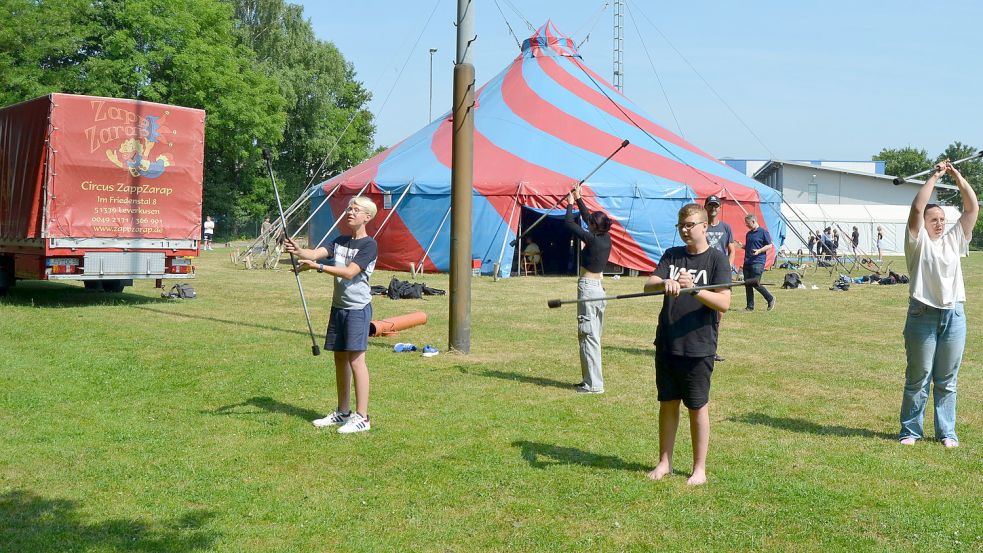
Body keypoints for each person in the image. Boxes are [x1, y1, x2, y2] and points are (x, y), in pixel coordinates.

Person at [644, 203, 731, 485]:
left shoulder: (716, 260)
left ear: (705, 226)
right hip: (668, 341)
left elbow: (724, 302)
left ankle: (699, 469)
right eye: (681, 225)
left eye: (690, 225)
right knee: (668, 403)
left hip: (699, 344)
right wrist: (664, 283)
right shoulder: (672, 256)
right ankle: (664, 462)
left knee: (697, 406)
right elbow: (649, 284)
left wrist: (694, 290)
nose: (684, 230)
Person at [898, 160, 978, 448]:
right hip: (922, 313)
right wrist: (935, 176)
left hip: (954, 315)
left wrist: (957, 176)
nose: (939, 223)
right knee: (918, 378)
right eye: (934, 220)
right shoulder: (917, 242)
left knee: (947, 380)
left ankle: (947, 432)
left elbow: (972, 209)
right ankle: (910, 430)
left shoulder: (955, 239)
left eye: (942, 219)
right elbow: (917, 208)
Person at [284, 197, 379, 434]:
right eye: (349, 208)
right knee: (339, 359)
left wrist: (318, 267)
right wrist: (297, 250)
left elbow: (349, 273)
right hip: (339, 307)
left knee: (356, 360)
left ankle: (362, 417)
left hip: (357, 309)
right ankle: (343, 412)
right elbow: (314, 253)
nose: (350, 212)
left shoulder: (369, 245)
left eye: (356, 210)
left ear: (367, 217)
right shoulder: (340, 240)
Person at [565, 184, 612, 394]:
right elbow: (586, 219)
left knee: (588, 336)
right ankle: (589, 380)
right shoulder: (604, 238)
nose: (588, 221)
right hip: (598, 290)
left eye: (591, 222)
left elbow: (569, 223)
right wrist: (579, 198)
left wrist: (569, 204)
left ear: (594, 227)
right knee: (592, 336)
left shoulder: (592, 239)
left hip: (588, 289)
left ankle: (594, 385)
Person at [703, 195, 735, 362]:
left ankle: (712, 350)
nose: (713, 208)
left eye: (716, 206)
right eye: (710, 205)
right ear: (706, 207)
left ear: (719, 208)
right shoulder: (701, 226)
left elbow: (732, 250)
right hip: (704, 273)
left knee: (718, 315)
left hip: (719, 274)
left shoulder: (726, 228)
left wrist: (727, 268)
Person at [735, 214, 775, 311]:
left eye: (748, 224)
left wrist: (759, 251)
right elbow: (749, 246)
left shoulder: (763, 232)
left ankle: (770, 298)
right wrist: (742, 246)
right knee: (747, 284)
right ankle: (750, 307)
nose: (747, 226)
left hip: (758, 262)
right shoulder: (749, 234)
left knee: (754, 283)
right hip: (747, 262)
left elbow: (769, 245)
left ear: (753, 221)